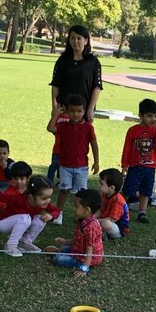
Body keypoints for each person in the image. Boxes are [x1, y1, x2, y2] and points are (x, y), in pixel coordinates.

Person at [48, 25, 103, 182]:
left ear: (86, 40)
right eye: (72, 38)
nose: (75, 41)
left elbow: (97, 86)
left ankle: (76, 176)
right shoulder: (62, 60)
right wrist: (54, 107)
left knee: (80, 143)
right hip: (64, 109)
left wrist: (90, 109)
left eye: (79, 38)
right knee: (61, 142)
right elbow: (55, 84)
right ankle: (60, 174)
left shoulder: (93, 62)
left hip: (82, 110)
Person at [0, 173, 57, 257]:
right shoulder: (18, 199)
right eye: (44, 198)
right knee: (25, 217)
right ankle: (10, 246)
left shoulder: (45, 204)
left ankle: (24, 242)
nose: (48, 201)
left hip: (22, 223)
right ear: (31, 196)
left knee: (40, 219)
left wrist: (51, 215)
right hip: (3, 223)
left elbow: (56, 211)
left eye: (50, 197)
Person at [47, 94, 99, 225]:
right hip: (65, 166)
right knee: (64, 190)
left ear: (84, 111)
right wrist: (57, 114)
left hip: (82, 166)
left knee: (82, 193)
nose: (76, 114)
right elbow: (50, 128)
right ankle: (58, 213)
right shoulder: (63, 126)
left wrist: (96, 161)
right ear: (67, 111)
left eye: (79, 111)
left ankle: (82, 214)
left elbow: (94, 144)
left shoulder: (88, 127)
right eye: (72, 111)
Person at [121, 98, 156, 224]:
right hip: (135, 166)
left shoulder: (155, 130)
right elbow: (127, 148)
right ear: (140, 115)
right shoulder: (133, 130)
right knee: (129, 189)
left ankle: (142, 212)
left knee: (146, 191)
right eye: (149, 116)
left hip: (150, 167)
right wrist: (124, 165)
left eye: (155, 116)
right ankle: (119, 208)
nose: (153, 119)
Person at [52, 188, 104, 276]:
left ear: (87, 210)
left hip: (88, 258)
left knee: (58, 259)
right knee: (64, 248)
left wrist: (84, 269)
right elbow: (79, 239)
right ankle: (60, 251)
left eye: (76, 206)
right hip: (79, 250)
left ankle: (74, 260)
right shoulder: (83, 220)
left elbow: (89, 251)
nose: (73, 208)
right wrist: (65, 241)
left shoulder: (91, 227)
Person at [97, 168, 130, 239]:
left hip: (119, 228)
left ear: (112, 188)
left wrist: (94, 221)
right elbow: (100, 210)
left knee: (106, 223)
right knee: (91, 214)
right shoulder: (105, 195)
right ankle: (101, 231)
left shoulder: (118, 201)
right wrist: (91, 217)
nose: (99, 185)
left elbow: (112, 219)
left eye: (101, 183)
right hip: (107, 220)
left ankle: (104, 233)